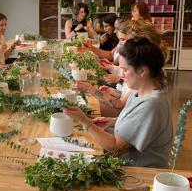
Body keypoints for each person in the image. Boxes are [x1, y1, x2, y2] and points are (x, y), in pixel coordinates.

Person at [64, 38, 173, 168]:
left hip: (139, 173)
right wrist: (113, 121)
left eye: (125, 70)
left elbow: (115, 147)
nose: (121, 75)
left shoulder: (151, 105)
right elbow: (136, 121)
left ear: (142, 71)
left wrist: (85, 122)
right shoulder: (139, 90)